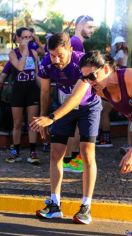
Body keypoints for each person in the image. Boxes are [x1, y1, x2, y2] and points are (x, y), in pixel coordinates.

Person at [32, 33, 101, 225]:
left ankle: (86, 206)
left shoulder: (82, 63)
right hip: (63, 109)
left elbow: (76, 98)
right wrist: (42, 119)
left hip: (88, 107)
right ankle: (54, 204)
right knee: (56, 154)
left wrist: (51, 118)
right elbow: (45, 91)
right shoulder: (47, 63)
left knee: (87, 154)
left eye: (60, 55)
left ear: (71, 50)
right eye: (52, 55)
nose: (56, 60)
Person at [31, 50, 132, 175]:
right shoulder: (97, 87)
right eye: (85, 78)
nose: (89, 82)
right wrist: (51, 118)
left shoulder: (128, 77)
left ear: (106, 69)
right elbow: (74, 99)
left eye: (92, 76)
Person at [0, 27, 40, 164]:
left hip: (32, 90)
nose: (27, 40)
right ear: (18, 38)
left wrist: (44, 90)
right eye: (24, 37)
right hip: (18, 91)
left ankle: (33, 152)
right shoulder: (13, 54)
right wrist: (25, 51)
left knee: (33, 122)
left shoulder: (34, 53)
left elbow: (37, 74)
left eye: (29, 37)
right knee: (17, 123)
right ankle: (15, 152)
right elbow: (20, 67)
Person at [64, 15, 95, 172]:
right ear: (79, 25)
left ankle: (71, 159)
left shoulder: (78, 43)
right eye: (89, 26)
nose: (92, 30)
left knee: (75, 127)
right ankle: (69, 160)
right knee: (74, 127)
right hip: (75, 92)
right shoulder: (75, 42)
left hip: (76, 92)